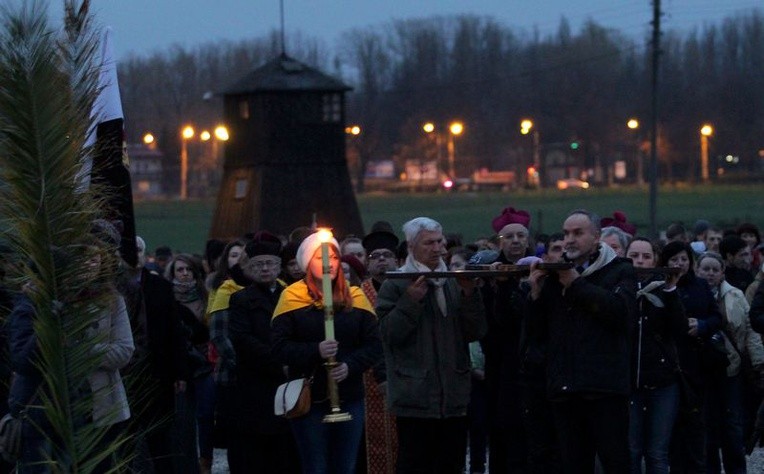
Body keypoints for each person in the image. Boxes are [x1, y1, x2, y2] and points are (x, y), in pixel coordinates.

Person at [526, 209, 637, 472]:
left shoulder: (620, 272)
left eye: (578, 233)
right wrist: (535, 295)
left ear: (596, 237)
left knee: (615, 461)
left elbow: (620, 315)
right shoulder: (555, 274)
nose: (569, 239)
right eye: (566, 233)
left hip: (605, 390)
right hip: (566, 390)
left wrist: (577, 285)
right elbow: (536, 333)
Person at [376, 217, 486, 474]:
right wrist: (410, 303)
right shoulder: (395, 284)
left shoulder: (451, 280)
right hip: (415, 397)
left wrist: (470, 296)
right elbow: (388, 334)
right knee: (415, 465)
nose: (438, 248)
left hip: (453, 397)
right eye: (429, 243)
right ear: (412, 246)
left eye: (440, 241)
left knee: (451, 465)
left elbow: (475, 332)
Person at [271, 231, 382, 474]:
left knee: (345, 466)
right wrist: (315, 350)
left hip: (349, 396)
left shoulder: (355, 297)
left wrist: (350, 365)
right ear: (307, 263)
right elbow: (279, 347)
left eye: (332, 257)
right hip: (310, 399)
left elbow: (375, 344)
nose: (327, 263)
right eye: (319, 258)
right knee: (316, 466)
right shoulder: (292, 298)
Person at [227, 232, 300, 473]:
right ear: (250, 268)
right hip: (256, 385)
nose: (265, 269)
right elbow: (242, 339)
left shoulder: (291, 296)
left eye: (270, 263)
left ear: (279, 267)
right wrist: (279, 361)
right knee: (258, 453)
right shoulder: (240, 299)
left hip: (288, 384)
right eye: (259, 264)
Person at [118, 236, 188, 473]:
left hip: (155, 372)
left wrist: (179, 371)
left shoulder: (159, 287)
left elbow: (174, 330)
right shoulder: (112, 288)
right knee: (124, 442)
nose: (134, 256)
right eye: (130, 251)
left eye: (138, 250)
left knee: (160, 439)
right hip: (124, 374)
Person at [695, 251, 764, 474]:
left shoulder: (735, 295)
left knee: (732, 425)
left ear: (723, 272)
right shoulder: (693, 294)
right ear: (698, 270)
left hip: (731, 369)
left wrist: (758, 361)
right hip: (701, 371)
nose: (710, 273)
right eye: (706, 269)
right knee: (707, 427)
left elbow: (749, 329)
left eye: (715, 269)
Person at [657, 241, 723, 473]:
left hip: (696, 366)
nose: (679, 264)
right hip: (668, 365)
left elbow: (717, 318)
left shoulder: (701, 286)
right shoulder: (657, 286)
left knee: (696, 427)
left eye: (683, 259)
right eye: (674, 260)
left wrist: (702, 325)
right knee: (669, 428)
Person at [626, 237, 687, 474]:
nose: (640, 262)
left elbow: (680, 330)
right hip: (630, 381)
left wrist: (671, 290)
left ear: (655, 260)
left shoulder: (664, 290)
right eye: (634, 256)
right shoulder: (619, 289)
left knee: (657, 453)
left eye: (646, 256)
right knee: (631, 450)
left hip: (662, 383)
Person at [358, 222, 400, 474]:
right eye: (375, 257)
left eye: (387, 256)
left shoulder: (407, 288)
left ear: (397, 260)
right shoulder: (357, 294)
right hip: (368, 378)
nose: (382, 261)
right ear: (367, 262)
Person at [165, 253, 213, 474]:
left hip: (204, 365)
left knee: (205, 415)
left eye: (188, 269)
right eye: (180, 270)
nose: (184, 274)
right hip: (179, 367)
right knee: (182, 419)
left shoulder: (206, 297)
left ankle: (206, 459)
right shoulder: (166, 300)